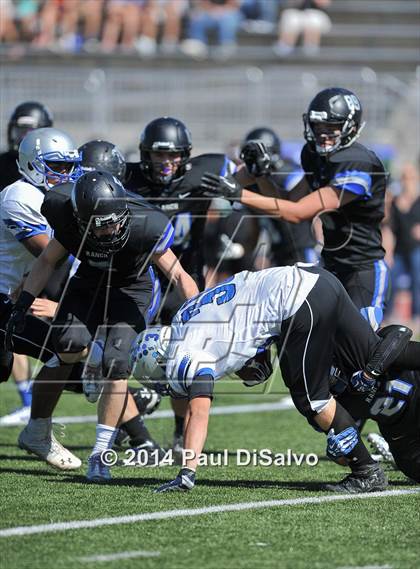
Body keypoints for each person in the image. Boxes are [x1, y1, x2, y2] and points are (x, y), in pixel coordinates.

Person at [131, 264, 420, 493]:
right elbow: (237, 325)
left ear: (160, 359)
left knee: (312, 399)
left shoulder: (183, 354)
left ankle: (367, 472)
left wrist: (187, 471)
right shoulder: (184, 316)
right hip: (315, 278)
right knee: (370, 353)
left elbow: (199, 409)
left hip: (295, 301)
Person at [5, 170, 199, 481]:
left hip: (132, 289)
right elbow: (46, 261)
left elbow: (179, 275)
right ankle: (37, 428)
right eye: (102, 224)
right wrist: (24, 302)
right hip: (88, 283)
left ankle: (100, 454)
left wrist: (197, 317)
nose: (113, 227)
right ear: (81, 220)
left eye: (115, 220)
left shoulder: (145, 225)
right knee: (66, 346)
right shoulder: (66, 216)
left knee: (117, 362)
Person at [202, 87, 390, 332]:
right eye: (317, 126)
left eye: (330, 127)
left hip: (362, 268)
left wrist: (239, 193)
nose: (322, 134)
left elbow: (298, 212)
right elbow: (288, 201)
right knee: (315, 340)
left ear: (350, 127)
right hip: (331, 264)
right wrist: (261, 177)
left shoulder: (358, 162)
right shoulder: (315, 156)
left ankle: (407, 369)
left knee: (363, 347)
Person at [124, 115, 238, 454]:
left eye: (174, 155)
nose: (166, 162)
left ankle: (177, 430)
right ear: (145, 154)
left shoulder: (205, 172)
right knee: (120, 347)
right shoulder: (128, 178)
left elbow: (242, 178)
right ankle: (132, 412)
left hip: (185, 278)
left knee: (183, 356)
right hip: (141, 277)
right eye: (159, 155)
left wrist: (249, 175)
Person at [0, 127, 82, 431]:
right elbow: (49, 254)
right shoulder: (20, 197)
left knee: (61, 354)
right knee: (58, 354)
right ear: (33, 163)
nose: (65, 173)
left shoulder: (46, 196)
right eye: (57, 166)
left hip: (6, 295)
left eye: (69, 166)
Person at [240, 126, 317, 266]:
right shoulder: (252, 183)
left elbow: (291, 205)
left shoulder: (288, 175)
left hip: (300, 249)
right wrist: (248, 256)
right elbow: (255, 224)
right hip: (278, 252)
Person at [0, 101, 54, 191]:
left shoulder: (55, 164)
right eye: (20, 132)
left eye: (30, 133)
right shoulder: (3, 163)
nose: (23, 138)